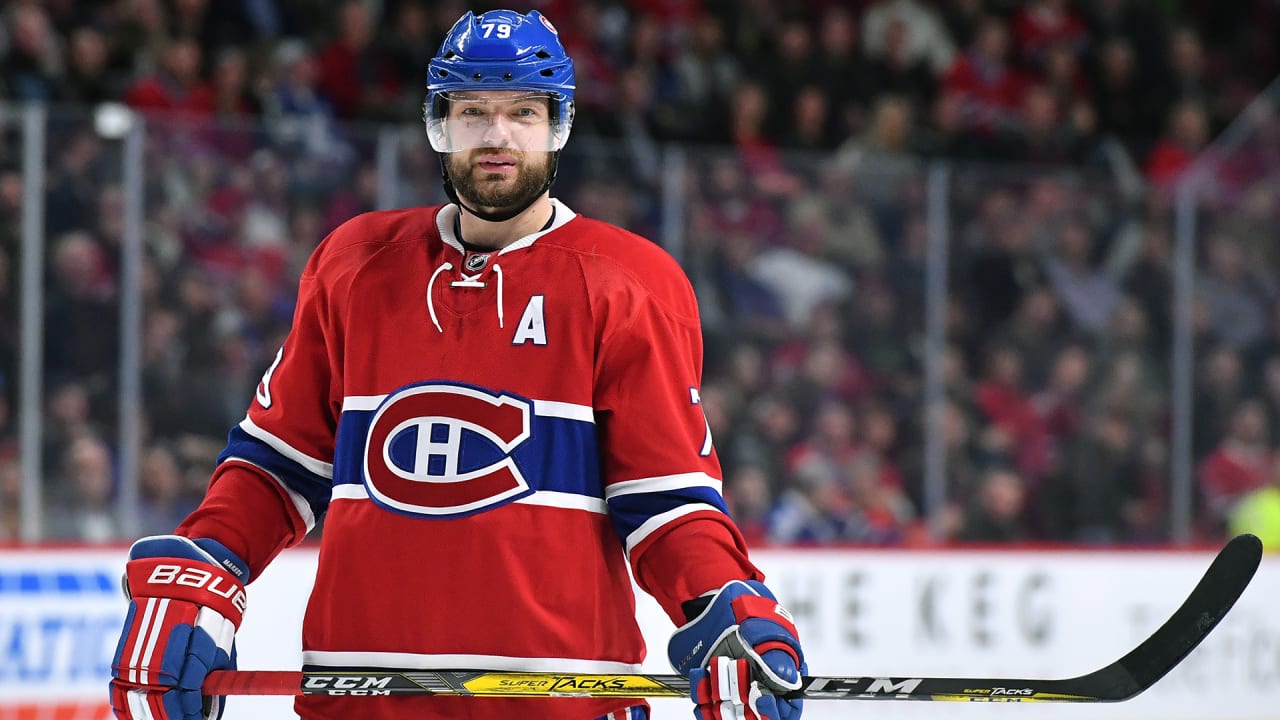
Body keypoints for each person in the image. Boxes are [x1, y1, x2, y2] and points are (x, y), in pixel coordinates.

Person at [108, 10, 805, 720]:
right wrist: (203, 564)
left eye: (521, 113)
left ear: (556, 125)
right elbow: (276, 465)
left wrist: (727, 603)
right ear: (441, 123)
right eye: (473, 111)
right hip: (361, 705)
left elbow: (667, 504)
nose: (496, 136)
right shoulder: (354, 264)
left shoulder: (627, 282)